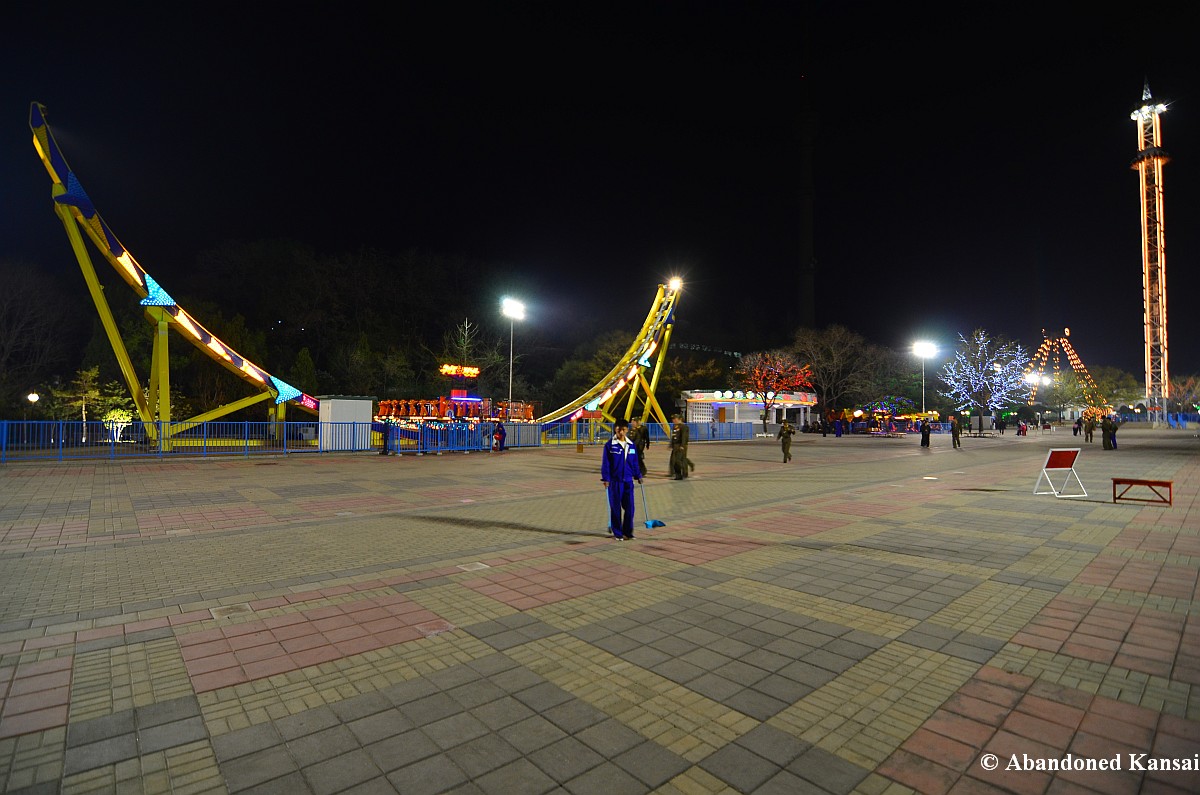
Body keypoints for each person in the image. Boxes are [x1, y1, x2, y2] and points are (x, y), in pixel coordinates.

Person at [601, 419, 644, 540]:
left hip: (628, 481)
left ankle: (628, 532)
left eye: (623, 429)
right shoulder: (610, 445)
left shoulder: (631, 445)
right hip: (615, 481)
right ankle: (618, 533)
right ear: (615, 429)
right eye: (618, 429)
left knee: (630, 508)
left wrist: (638, 475)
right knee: (615, 508)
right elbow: (606, 463)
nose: (621, 432)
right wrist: (606, 478)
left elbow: (634, 462)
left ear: (627, 430)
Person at [669, 414, 692, 480]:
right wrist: (671, 444)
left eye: (675, 419)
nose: (673, 420)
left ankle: (683, 473)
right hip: (675, 446)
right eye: (673, 419)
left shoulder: (684, 427)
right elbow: (674, 436)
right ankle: (676, 474)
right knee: (674, 460)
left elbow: (684, 437)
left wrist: (682, 445)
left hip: (681, 445)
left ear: (680, 419)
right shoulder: (675, 426)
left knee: (679, 460)